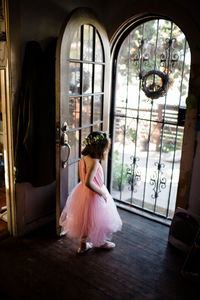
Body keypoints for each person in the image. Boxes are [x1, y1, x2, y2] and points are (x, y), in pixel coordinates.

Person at [59, 131, 122, 254]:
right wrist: (101, 193)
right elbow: (88, 182)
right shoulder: (94, 162)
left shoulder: (84, 158)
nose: (105, 151)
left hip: (83, 192)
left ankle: (83, 246)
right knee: (99, 220)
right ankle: (101, 241)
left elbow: (82, 178)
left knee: (85, 221)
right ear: (99, 148)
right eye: (104, 148)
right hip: (94, 194)